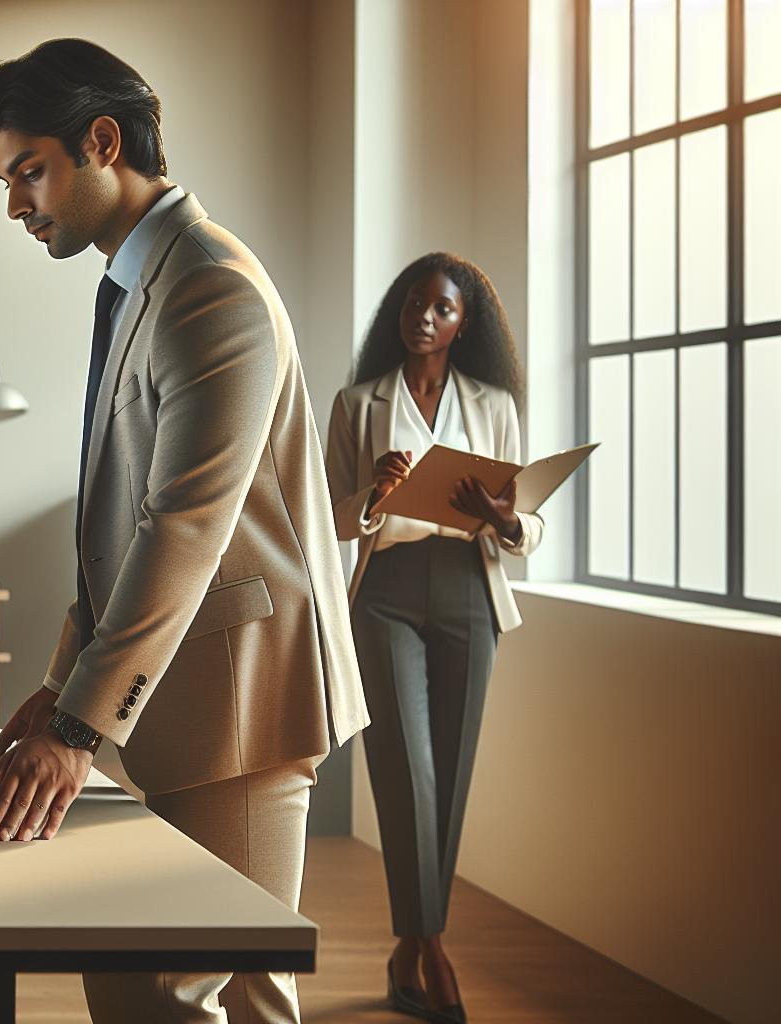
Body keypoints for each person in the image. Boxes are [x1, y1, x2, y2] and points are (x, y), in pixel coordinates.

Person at [0, 39, 368, 1024]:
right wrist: (63, 687)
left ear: (103, 141)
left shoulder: (210, 286)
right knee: (209, 989)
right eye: (6, 181)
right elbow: (117, 529)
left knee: (173, 992)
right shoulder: (145, 282)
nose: (15, 205)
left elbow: (183, 525)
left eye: (27, 171)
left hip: (243, 702)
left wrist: (79, 727)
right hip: (195, 693)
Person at [325, 252, 543, 1024]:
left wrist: (505, 518)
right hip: (384, 593)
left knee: (449, 775)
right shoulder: (358, 404)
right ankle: (431, 947)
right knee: (405, 770)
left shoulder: (495, 404)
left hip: (468, 591)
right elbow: (328, 517)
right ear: (399, 310)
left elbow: (526, 520)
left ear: (463, 322)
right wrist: (374, 496)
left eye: (442, 308)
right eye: (414, 303)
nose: (424, 317)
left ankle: (411, 949)